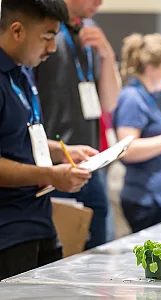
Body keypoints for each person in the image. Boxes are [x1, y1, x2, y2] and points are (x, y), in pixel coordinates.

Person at [0, 0, 96, 280]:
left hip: (39, 221)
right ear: (17, 31)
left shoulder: (22, 71)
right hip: (9, 232)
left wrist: (62, 152)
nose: (52, 48)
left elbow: (20, 139)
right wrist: (50, 174)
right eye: (47, 37)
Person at [34, 0, 121, 249]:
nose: (99, 2)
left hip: (90, 161)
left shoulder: (90, 33)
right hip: (53, 166)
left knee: (97, 253)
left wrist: (107, 54)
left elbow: (108, 102)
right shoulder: (45, 31)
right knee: (59, 255)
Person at [114, 33, 161, 234]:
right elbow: (126, 149)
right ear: (151, 67)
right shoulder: (132, 98)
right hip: (145, 197)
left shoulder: (147, 97)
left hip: (158, 196)